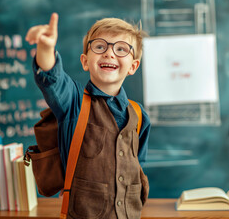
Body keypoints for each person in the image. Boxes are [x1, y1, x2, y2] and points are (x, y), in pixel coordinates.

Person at [25, 13, 151, 219]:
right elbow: (51, 78)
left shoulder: (139, 115)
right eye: (100, 47)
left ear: (133, 66)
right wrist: (46, 48)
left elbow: (138, 165)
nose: (109, 53)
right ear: (85, 61)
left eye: (121, 49)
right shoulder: (73, 102)